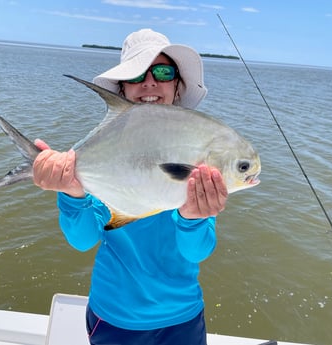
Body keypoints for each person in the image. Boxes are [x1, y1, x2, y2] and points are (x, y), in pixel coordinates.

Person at [33, 29, 228, 345]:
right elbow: (82, 240)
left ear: (177, 86)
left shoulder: (196, 150)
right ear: (122, 89)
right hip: (115, 317)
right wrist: (70, 192)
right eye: (136, 75)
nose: (150, 82)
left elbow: (197, 250)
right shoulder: (107, 149)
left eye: (163, 72)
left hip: (182, 317)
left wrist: (193, 218)